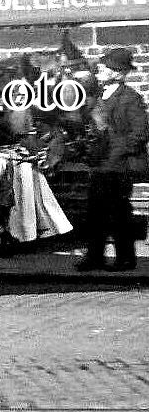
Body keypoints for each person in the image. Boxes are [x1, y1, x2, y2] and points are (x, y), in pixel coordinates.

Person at [78, 47, 149, 271]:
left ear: (118, 72)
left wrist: (114, 150)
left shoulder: (130, 98)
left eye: (106, 67)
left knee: (118, 213)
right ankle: (95, 257)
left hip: (119, 166)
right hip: (100, 164)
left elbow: (140, 133)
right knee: (95, 212)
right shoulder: (99, 96)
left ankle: (125, 258)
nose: (102, 70)